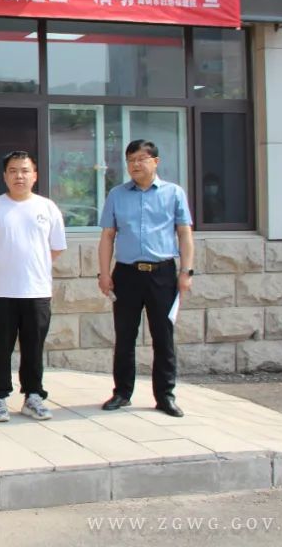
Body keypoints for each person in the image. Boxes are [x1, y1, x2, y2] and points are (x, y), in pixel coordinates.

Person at [97, 140, 193, 418]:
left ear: (155, 161)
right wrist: (104, 273)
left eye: (141, 159)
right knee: (124, 335)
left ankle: (165, 396)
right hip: (126, 274)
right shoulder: (117, 194)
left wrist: (186, 272)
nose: (135, 165)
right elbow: (107, 236)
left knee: (163, 337)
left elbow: (184, 233)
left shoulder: (173, 193)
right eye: (130, 160)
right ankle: (122, 392)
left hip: (162, 273)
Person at [0, 151, 66, 422]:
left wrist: (32, 265)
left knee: (33, 347)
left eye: (25, 171)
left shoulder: (47, 207)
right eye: (13, 171)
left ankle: (33, 396)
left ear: (35, 175)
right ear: (5, 176)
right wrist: (4, 265)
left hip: (37, 291)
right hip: (2, 291)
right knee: (0, 348)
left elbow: (56, 248)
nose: (19, 176)